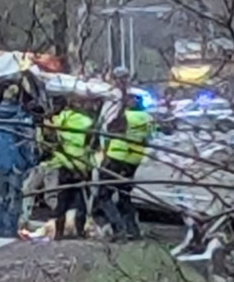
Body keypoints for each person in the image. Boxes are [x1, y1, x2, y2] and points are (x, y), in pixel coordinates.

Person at [99, 92, 155, 240]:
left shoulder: (126, 116)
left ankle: (119, 229)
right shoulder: (149, 118)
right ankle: (133, 230)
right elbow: (149, 138)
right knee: (124, 195)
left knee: (103, 195)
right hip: (134, 160)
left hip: (117, 157)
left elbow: (110, 130)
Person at [0, 84, 35, 237]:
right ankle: (10, 229)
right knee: (14, 196)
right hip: (15, 161)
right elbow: (25, 141)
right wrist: (30, 160)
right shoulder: (19, 116)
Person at [45, 96, 96, 239]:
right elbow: (91, 143)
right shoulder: (88, 122)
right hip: (82, 165)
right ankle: (80, 232)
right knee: (81, 201)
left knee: (63, 200)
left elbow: (49, 129)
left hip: (65, 162)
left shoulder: (62, 118)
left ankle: (59, 234)